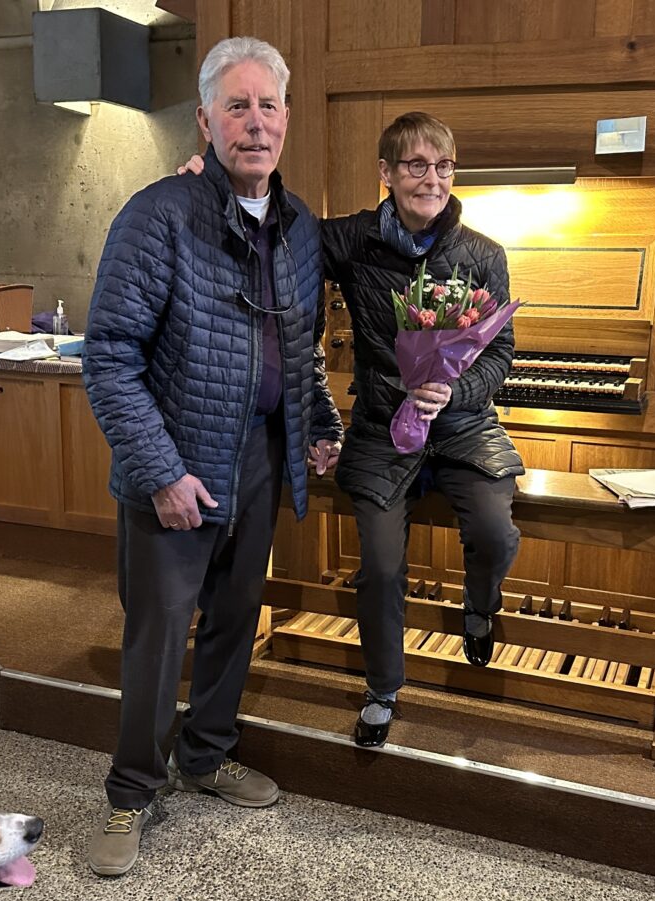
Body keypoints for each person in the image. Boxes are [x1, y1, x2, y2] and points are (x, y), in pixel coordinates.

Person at [179, 111, 522, 750]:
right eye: (416, 166)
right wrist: (210, 184)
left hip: (464, 427)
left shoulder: (482, 254)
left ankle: (480, 607)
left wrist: (456, 392)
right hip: (379, 430)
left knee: (496, 532)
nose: (432, 180)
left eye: (442, 166)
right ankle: (383, 689)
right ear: (386, 174)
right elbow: (276, 224)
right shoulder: (351, 240)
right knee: (382, 567)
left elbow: (502, 353)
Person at [82, 36, 342, 877]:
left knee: (235, 622)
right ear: (204, 119)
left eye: (268, 106)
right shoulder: (159, 215)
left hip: (263, 458)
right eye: (237, 106)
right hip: (180, 466)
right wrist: (159, 472)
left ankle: (205, 756)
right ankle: (131, 793)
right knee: (158, 635)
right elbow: (110, 356)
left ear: (287, 120)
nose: (255, 123)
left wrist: (319, 422)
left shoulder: (299, 230)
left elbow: (297, 348)